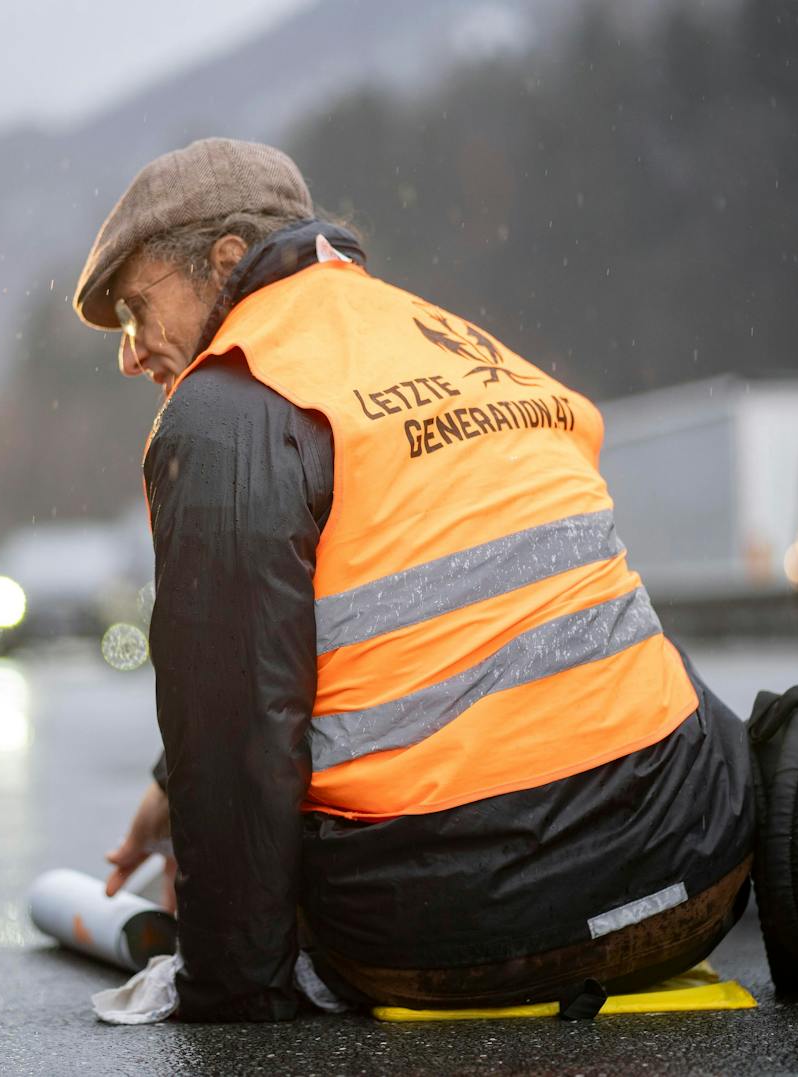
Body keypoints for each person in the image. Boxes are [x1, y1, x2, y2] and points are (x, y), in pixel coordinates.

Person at [75, 138, 754, 1022]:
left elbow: (240, 728)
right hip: (691, 873)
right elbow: (421, 600)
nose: (131, 354)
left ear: (226, 263)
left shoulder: (228, 404)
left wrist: (227, 991)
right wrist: (176, 781)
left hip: (468, 930)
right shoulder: (453, 344)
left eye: (137, 307)